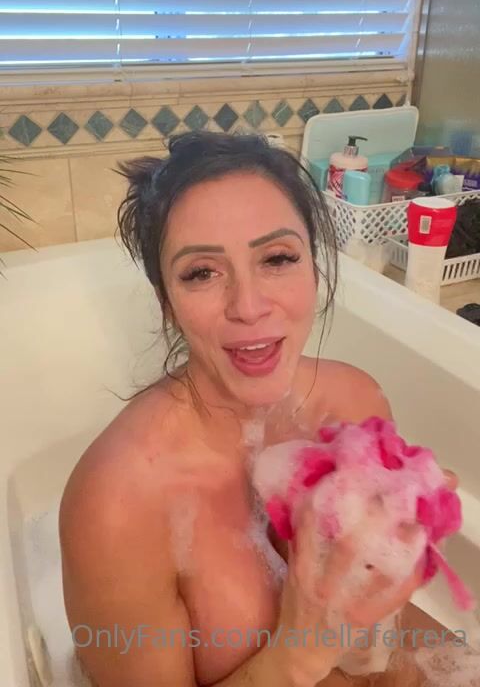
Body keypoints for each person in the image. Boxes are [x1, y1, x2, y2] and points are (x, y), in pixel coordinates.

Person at [59, 131, 457, 687]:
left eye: (277, 258)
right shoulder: (116, 502)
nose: (248, 306)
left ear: (315, 270)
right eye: (201, 272)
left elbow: (383, 636)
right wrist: (298, 654)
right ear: (167, 302)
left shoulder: (353, 403)